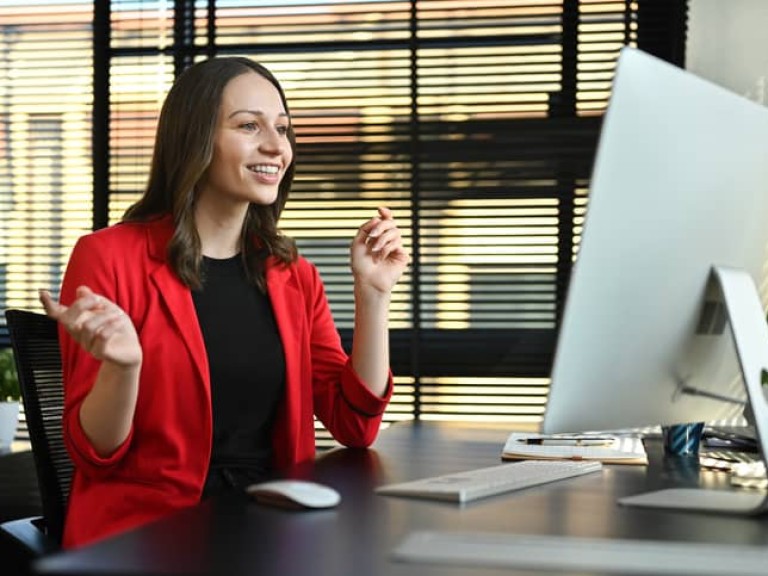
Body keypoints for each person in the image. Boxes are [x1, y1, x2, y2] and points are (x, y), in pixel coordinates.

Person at [39, 57, 409, 549]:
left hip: (271, 528)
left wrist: (373, 294)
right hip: (151, 538)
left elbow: (354, 424)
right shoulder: (108, 258)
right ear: (195, 139)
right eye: (249, 126)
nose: (277, 147)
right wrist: (123, 367)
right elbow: (95, 451)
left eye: (283, 128)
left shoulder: (293, 275)